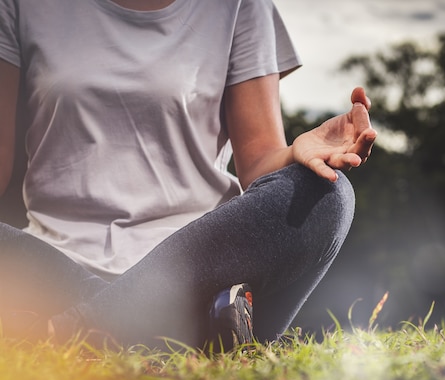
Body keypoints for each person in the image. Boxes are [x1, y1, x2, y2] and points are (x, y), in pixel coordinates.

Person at [0, 0, 376, 351]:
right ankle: (188, 331)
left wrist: (297, 152)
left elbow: (258, 160)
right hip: (52, 267)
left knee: (327, 193)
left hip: (198, 272)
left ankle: (62, 332)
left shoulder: (238, 6)